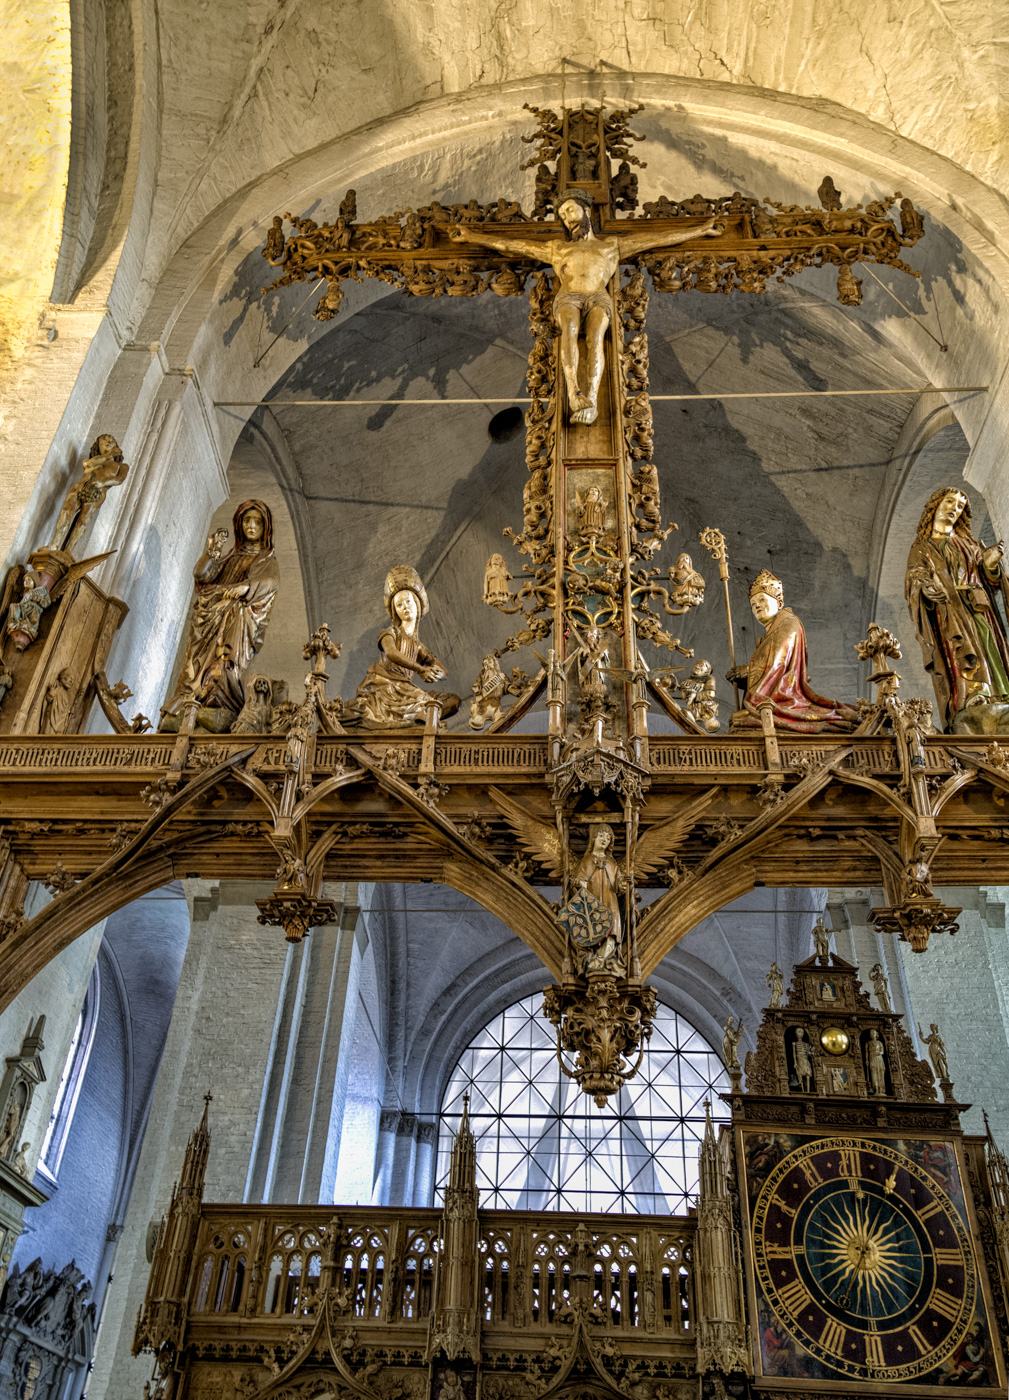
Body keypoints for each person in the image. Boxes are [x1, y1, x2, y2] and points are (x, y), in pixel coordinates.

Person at [451, 189, 720, 425]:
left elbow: (659, 238)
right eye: (563, 214)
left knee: (595, 339)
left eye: (571, 209)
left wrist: (701, 230)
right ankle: (573, 393)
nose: (567, 217)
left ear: (586, 209)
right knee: (568, 329)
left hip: (598, 298)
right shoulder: (557, 249)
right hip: (568, 297)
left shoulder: (611, 247)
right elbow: (513, 245)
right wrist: (472, 235)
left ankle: (590, 398)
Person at [161, 501, 280, 730]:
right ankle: (193, 696)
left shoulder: (267, 560)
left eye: (257, 521)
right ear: (239, 524)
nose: (251, 526)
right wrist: (213, 551)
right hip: (210, 618)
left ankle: (221, 697)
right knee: (197, 661)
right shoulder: (230, 557)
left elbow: (268, 583)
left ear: (266, 527)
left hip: (238, 619)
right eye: (247, 520)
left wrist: (243, 588)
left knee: (225, 658)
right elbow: (202, 576)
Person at [905, 486, 1009, 732]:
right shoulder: (922, 547)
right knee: (958, 650)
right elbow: (914, 578)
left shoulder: (969, 543)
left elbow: (989, 578)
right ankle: (972, 695)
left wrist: (991, 563)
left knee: (988, 646)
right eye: (949, 502)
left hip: (979, 609)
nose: (954, 508)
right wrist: (925, 588)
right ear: (935, 506)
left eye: (960, 506)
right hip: (948, 611)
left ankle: (1000, 692)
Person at [729, 570, 859, 733]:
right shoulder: (768, 635)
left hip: (784, 697)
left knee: (742, 720)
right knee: (738, 720)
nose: (757, 606)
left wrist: (748, 671)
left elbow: (779, 663)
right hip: (769, 695)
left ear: (779, 602)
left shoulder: (789, 624)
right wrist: (745, 679)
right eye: (753, 604)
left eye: (762, 600)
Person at [348, 565, 460, 727]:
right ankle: (415, 721)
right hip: (387, 687)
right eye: (399, 605)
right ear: (395, 611)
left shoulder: (418, 646)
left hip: (407, 689)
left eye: (408, 601)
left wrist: (435, 673)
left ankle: (419, 720)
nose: (405, 607)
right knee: (427, 706)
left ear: (417, 604)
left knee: (452, 702)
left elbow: (444, 671)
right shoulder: (389, 632)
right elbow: (392, 653)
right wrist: (420, 669)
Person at [563, 824, 627, 977]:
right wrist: (579, 883)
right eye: (601, 836)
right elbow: (579, 879)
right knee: (593, 930)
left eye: (608, 837)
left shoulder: (613, 864)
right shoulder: (586, 861)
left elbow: (618, 884)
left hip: (610, 901)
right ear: (593, 839)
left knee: (612, 931)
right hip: (592, 902)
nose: (604, 840)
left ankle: (602, 959)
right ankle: (592, 958)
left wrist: (624, 884)